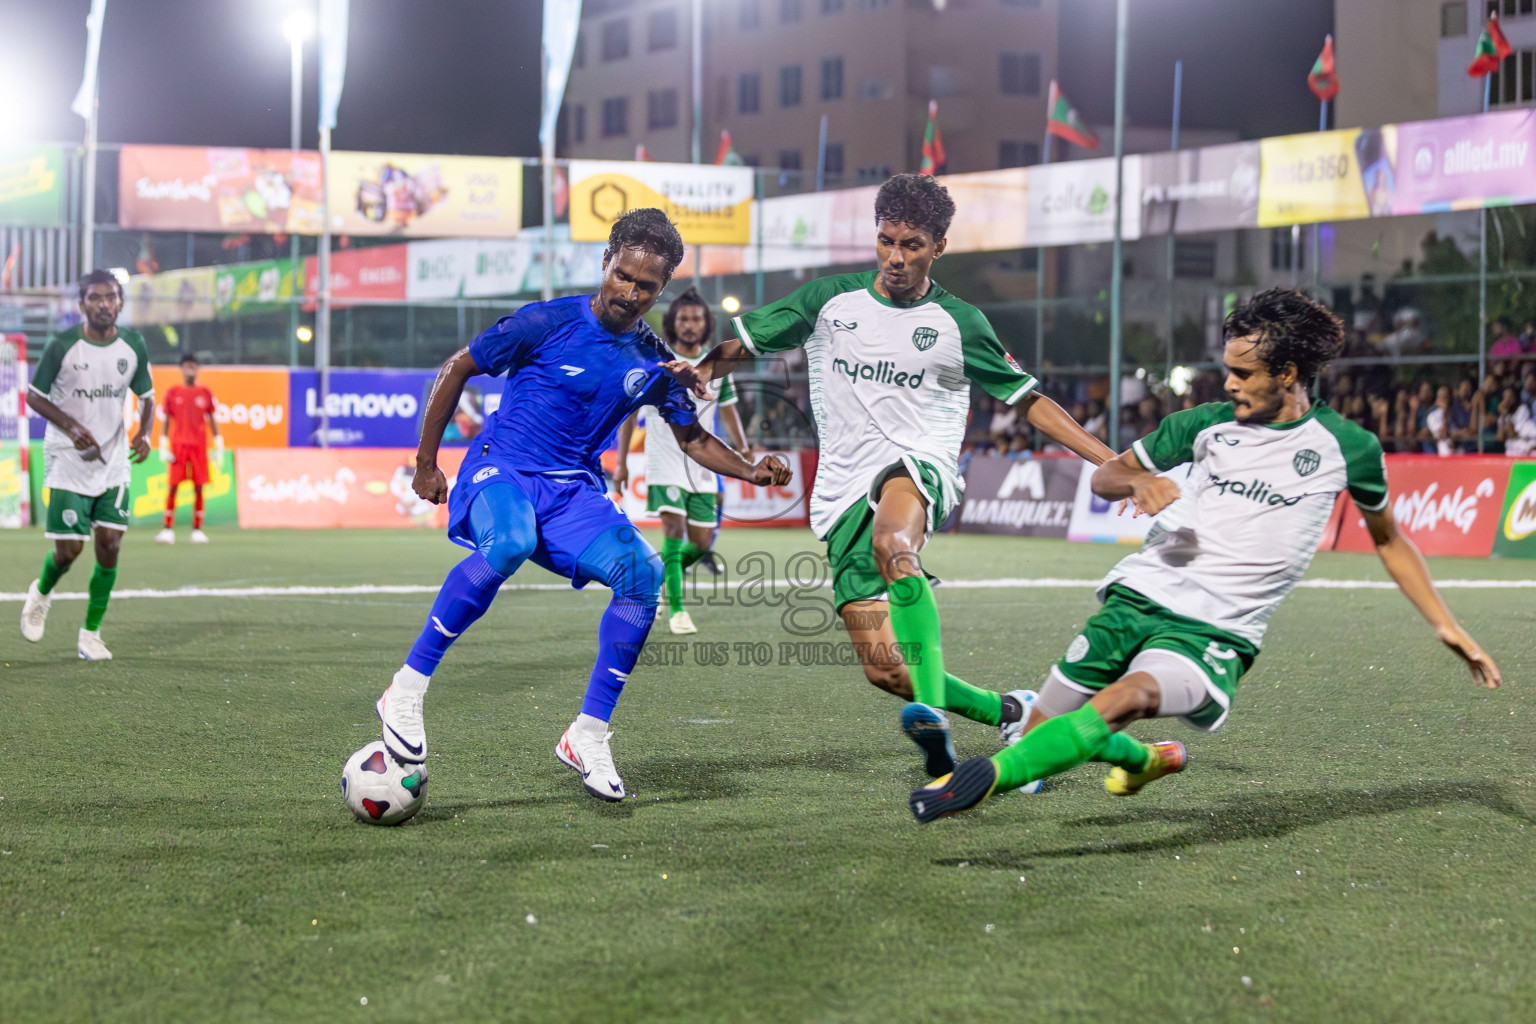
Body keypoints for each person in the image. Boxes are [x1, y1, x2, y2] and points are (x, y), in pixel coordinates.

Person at [908, 288, 1502, 823]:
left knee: (1123, 700)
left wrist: (1447, 625)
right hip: (1142, 593)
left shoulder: (1347, 447)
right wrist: (1137, 482)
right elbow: (1106, 476)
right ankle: (1141, 762)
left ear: (1289, 372)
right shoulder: (1204, 425)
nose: (1229, 384)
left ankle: (982, 781)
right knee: (1042, 735)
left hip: (1219, 628)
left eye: (1244, 373)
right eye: (1227, 371)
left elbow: (1390, 540)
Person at [687, 174, 1118, 778]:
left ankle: (935, 716)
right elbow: (745, 342)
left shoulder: (961, 322)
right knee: (886, 668)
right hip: (841, 492)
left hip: (920, 467)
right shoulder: (828, 302)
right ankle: (1011, 710)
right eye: (887, 240)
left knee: (894, 539)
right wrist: (703, 369)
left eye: (912, 244)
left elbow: (1030, 400)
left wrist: (1109, 458)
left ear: (938, 247)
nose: (895, 256)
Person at [372, 209, 791, 802]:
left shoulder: (655, 360)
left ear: (662, 287)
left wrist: (751, 468)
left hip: (572, 492)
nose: (630, 292)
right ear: (606, 263)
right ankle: (407, 688)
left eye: (646, 285)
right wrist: (424, 461)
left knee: (643, 577)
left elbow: (692, 438)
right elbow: (458, 366)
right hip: (503, 469)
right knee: (510, 542)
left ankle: (588, 734)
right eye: (623, 275)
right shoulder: (545, 322)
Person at [19, 270, 156, 661]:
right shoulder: (63, 346)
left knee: (110, 544)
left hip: (112, 460)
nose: (103, 304)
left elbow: (147, 397)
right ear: (82, 305)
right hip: (68, 456)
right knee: (69, 551)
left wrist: (144, 434)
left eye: (110, 297)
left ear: (120, 303)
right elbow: (34, 396)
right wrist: (73, 426)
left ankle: (91, 635)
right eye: (95, 298)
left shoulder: (133, 345)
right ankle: (41, 593)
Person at [613, 287, 750, 635]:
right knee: (673, 530)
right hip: (664, 457)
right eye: (684, 318)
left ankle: (659, 580)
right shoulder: (660, 360)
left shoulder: (718, 364)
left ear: (706, 325)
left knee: (702, 542)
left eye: (697, 319)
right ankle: (677, 610)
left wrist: (743, 448)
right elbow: (630, 414)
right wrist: (623, 461)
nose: (690, 324)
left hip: (702, 461)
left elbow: (728, 409)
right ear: (674, 322)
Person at [155, 353, 223, 545]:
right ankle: (167, 529)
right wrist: (163, 444)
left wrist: (218, 444)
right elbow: (167, 420)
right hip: (178, 446)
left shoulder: (205, 393)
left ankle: (197, 530)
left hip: (199, 447)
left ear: (198, 368)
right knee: (173, 486)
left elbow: (212, 419)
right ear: (182, 368)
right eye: (187, 366)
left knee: (199, 487)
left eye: (193, 366)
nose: (190, 369)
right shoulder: (173, 392)